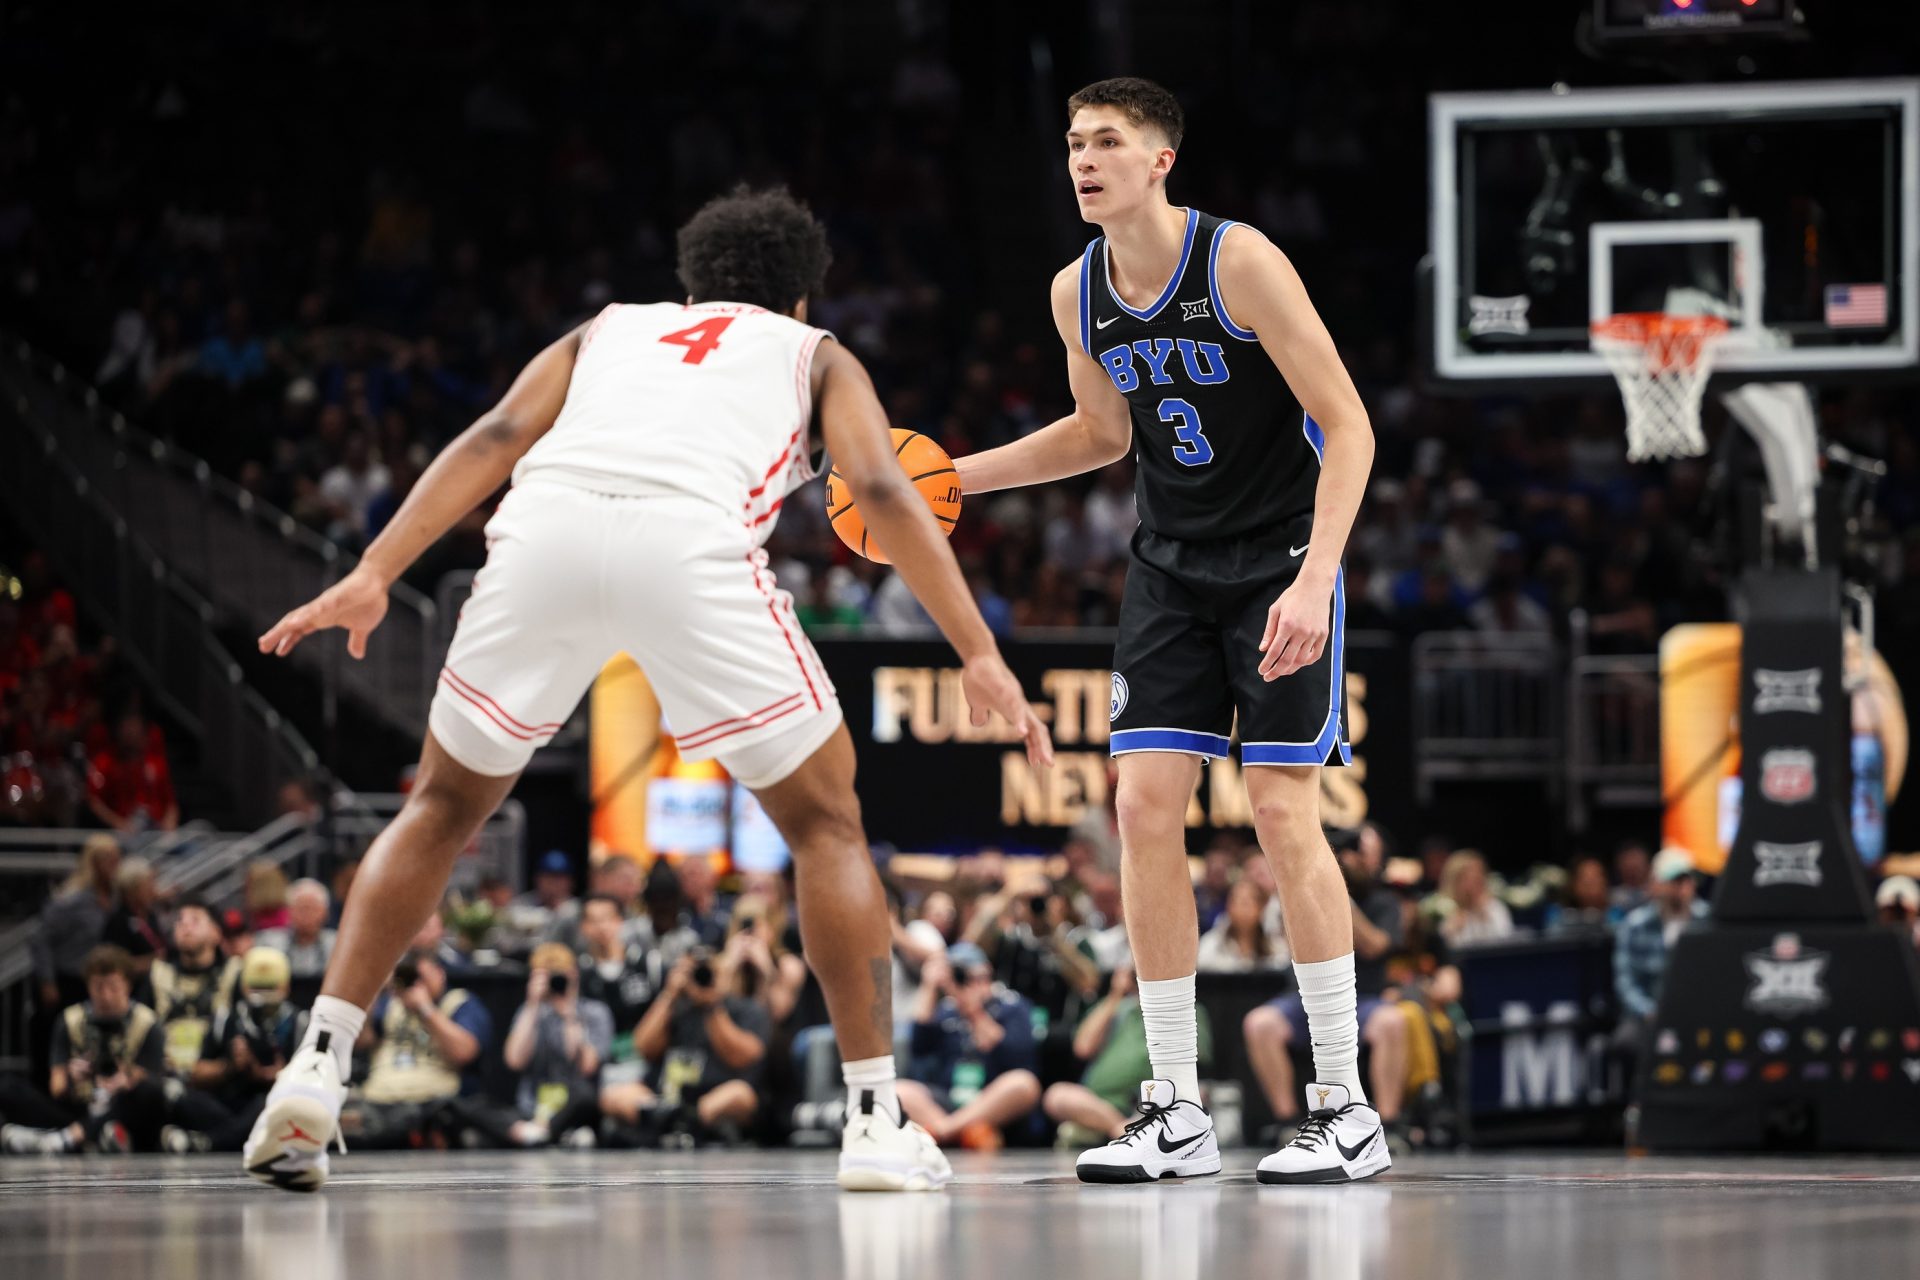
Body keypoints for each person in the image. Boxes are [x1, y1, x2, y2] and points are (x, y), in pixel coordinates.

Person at [244, 187, 1049, 1193]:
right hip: (689, 545)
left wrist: (374, 568)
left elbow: (495, 436)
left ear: (691, 284)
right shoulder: (818, 353)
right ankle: (878, 1121)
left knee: (443, 805)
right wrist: (976, 647)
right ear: (802, 296)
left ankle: (317, 1064)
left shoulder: (609, 329)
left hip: (548, 529)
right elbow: (883, 489)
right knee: (827, 825)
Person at [952, 77, 1382, 1184]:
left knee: (1282, 808)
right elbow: (1101, 434)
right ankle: (1176, 1105)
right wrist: (953, 477)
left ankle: (1343, 1100)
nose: (1082, 160)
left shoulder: (1238, 261)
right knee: (1141, 803)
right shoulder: (1076, 289)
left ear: (1160, 160)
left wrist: (1317, 579)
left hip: (1283, 557)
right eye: (1071, 144)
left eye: (1105, 141)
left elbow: (1347, 421)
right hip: (1172, 567)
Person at [1242, 828, 1411, 1147]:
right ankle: (1287, 1121)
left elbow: (1375, 945)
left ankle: (1389, 1123)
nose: (1349, 860)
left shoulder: (1384, 900)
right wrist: (1314, 884)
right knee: (1259, 1023)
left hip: (1363, 1000)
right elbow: (1288, 938)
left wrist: (1336, 891)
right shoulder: (1303, 892)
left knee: (1393, 1021)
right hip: (1302, 1001)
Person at [0, 946, 165, 1153]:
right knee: (7, 1087)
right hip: (82, 1106)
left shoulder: (147, 1022)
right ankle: (84, 1137)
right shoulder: (70, 1020)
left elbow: (154, 1079)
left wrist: (125, 1081)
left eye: (113, 987)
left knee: (149, 1093)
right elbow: (56, 1086)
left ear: (128, 985)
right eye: (98, 987)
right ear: (87, 986)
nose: (106, 995)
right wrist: (72, 1076)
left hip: (124, 1110)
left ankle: (64, 1139)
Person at [1042, 960, 1214, 1155]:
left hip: (1147, 1103)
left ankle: (1124, 1129)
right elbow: (1083, 1047)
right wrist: (1115, 995)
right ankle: (1122, 1129)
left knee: (1193, 1094)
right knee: (1056, 1095)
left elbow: (1199, 1060)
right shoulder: (1114, 1008)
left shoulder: (1184, 1009)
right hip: (1099, 1104)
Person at [337, 949, 493, 1150]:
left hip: (431, 1103)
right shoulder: (391, 1004)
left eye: (421, 977)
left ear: (439, 973)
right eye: (409, 979)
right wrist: (374, 992)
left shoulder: (458, 1002)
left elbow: (465, 1053)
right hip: (380, 1101)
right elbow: (360, 1041)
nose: (415, 984)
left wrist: (425, 1008)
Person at [895, 942, 1043, 1150]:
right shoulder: (947, 1010)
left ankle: (942, 1132)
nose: (971, 984)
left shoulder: (1012, 1006)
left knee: (1023, 1083)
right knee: (898, 1090)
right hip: (950, 1098)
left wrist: (974, 1013)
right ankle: (963, 1131)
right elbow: (918, 1047)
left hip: (991, 1100)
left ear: (988, 973)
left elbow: (1016, 1056)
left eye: (976, 977)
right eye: (963, 977)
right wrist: (929, 987)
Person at [165, 947, 309, 1152]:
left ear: (285, 988)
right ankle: (235, 1136)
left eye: (270, 989)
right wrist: (230, 1066)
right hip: (228, 1102)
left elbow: (313, 1080)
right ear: (243, 986)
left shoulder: (300, 1024)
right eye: (257, 989)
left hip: (272, 1104)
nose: (263, 999)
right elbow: (197, 1073)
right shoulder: (225, 1020)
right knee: (185, 1099)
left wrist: (282, 1075)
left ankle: (209, 1142)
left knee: (272, 1105)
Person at [633, 946, 773, 1143]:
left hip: (713, 1096)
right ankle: (671, 1122)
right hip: (666, 1096)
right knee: (618, 1094)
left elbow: (745, 1056)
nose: (700, 978)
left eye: (707, 972)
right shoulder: (675, 1007)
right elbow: (642, 1047)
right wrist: (669, 994)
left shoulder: (744, 1009)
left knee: (740, 1094)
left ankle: (685, 1123)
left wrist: (713, 1005)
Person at [1614, 848, 1709, 1059]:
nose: (1682, 887)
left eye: (1687, 880)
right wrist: (1649, 1011)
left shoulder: (1709, 922)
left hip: (1699, 1013)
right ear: (1656, 885)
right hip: (1649, 1014)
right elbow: (1625, 983)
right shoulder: (1634, 926)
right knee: (1627, 1040)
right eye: (1675, 880)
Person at [149, 899, 244, 1082]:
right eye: (180, 921)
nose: (185, 926)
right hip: (164, 1076)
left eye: (195, 920)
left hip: (219, 1076)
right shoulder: (158, 974)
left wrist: (223, 1067)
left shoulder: (234, 972)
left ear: (216, 933)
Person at [1196, 878, 1287, 972]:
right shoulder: (1210, 944)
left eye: (1246, 903)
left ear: (1261, 907)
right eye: (1236, 902)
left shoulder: (1276, 947)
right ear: (1228, 906)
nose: (1242, 909)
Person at [255, 878, 337, 978]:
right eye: (301, 908)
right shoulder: (268, 944)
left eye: (312, 908)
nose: (306, 914)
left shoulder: (337, 945)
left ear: (325, 913)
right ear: (289, 911)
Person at [1436, 851, 1515, 949]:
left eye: (1479, 875)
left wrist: (1484, 916)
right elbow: (1443, 949)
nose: (1475, 881)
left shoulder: (1494, 907)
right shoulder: (1443, 908)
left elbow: (1506, 941)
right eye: (1467, 877)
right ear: (1454, 880)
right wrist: (1453, 929)